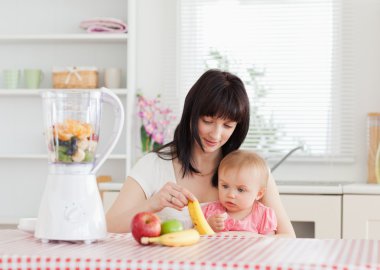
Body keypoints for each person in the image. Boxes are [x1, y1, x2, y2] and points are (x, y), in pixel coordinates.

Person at [106, 69, 295, 237]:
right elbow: (109, 226)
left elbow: (287, 237)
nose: (216, 134)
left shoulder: (252, 172)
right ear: (191, 114)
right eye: (207, 121)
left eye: (227, 125)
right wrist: (153, 204)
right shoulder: (153, 165)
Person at [202, 150, 276, 235]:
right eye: (225, 186)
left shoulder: (263, 215)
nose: (230, 195)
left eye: (241, 190)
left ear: (259, 194)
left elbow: (270, 243)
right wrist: (208, 225)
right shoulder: (211, 211)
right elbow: (196, 236)